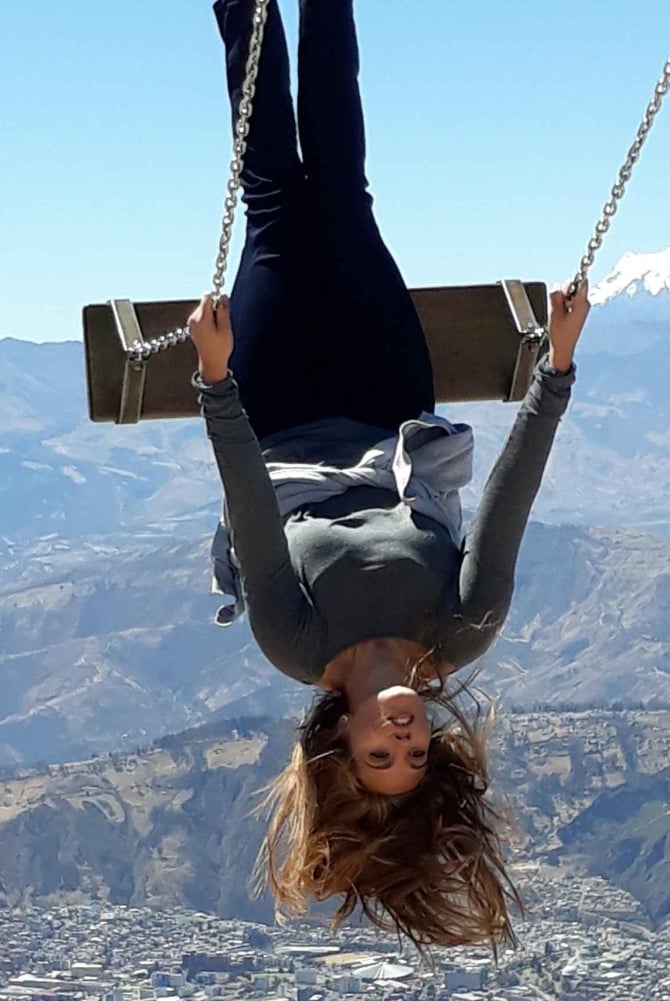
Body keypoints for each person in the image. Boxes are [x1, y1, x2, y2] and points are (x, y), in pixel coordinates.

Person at [185, 0, 588, 951]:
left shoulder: (294, 640)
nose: (403, 736)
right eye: (415, 752)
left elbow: (251, 508)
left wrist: (214, 381)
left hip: (275, 400)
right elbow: (509, 502)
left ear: (341, 744)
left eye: (379, 753)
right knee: (346, 191)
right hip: (382, 390)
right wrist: (555, 370)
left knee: (279, 201)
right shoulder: (461, 627)